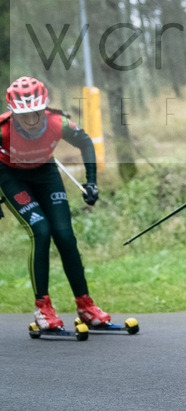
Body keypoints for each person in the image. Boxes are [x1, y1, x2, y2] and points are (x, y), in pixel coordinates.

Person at [0, 76, 112, 330]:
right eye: (23, 115)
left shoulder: (58, 123)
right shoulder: (2, 128)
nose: (30, 121)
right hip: (11, 176)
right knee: (41, 231)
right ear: (13, 113)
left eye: (35, 113)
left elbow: (85, 142)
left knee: (64, 234)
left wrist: (91, 182)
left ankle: (85, 305)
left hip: (45, 174)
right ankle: (43, 308)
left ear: (44, 108)